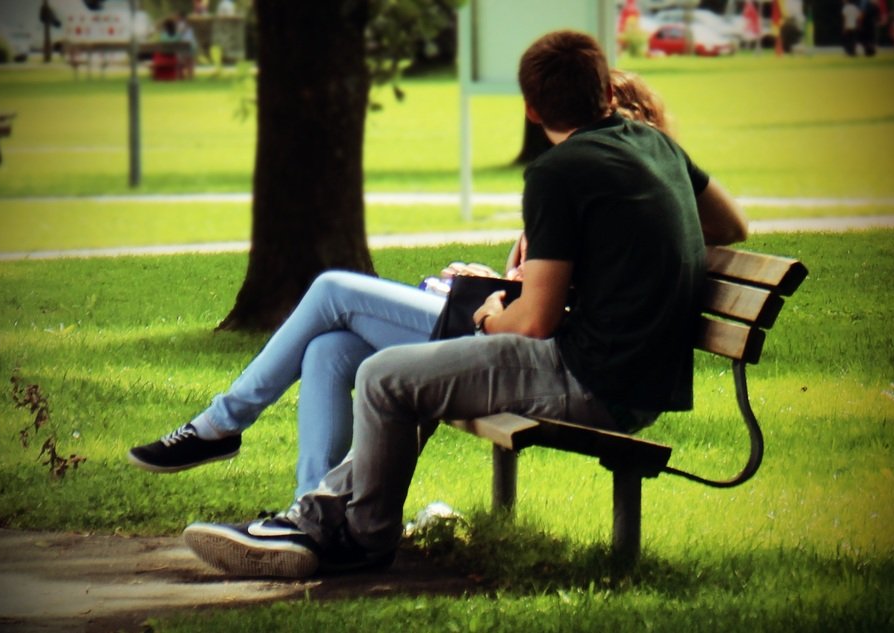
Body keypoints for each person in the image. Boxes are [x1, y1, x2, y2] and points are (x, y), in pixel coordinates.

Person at [172, 30, 747, 579]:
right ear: (606, 92)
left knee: (382, 375)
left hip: (594, 380)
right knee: (351, 353)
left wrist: (488, 313)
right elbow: (730, 223)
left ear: (530, 109)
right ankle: (315, 521)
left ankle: (355, 537)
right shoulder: (657, 145)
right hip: (628, 372)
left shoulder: (558, 172)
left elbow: (533, 322)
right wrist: (625, 252)